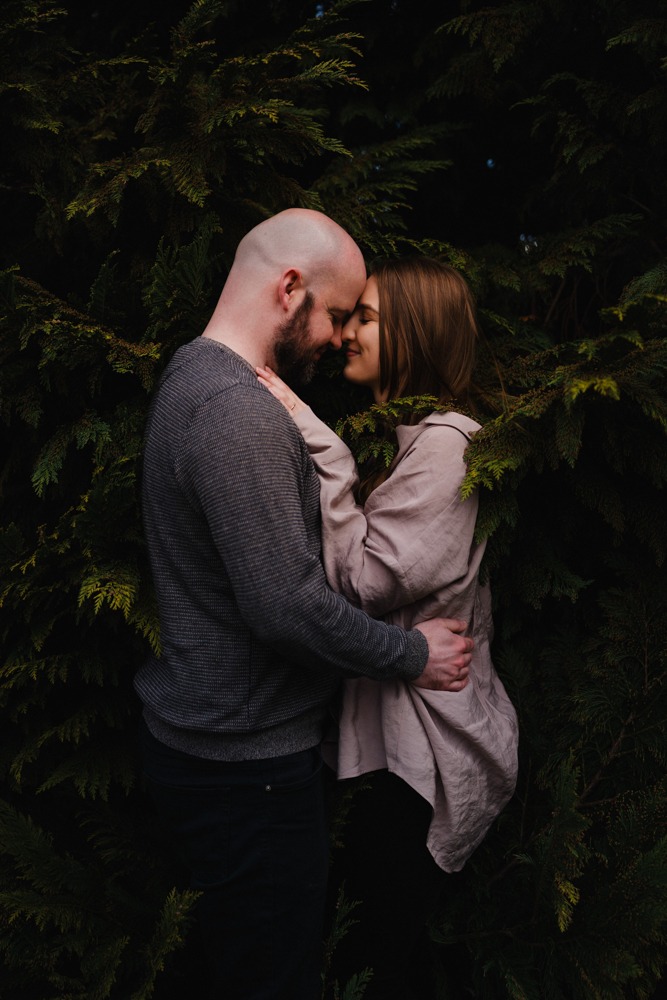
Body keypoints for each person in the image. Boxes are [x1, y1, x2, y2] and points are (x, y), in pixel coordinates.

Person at [133, 210, 476, 1000]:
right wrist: (413, 656)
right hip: (243, 767)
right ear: (289, 289)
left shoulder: (192, 373)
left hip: (212, 747)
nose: (337, 336)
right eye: (334, 313)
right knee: (271, 978)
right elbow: (286, 608)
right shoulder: (238, 414)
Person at [257, 255, 519, 999]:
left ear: (415, 330)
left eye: (365, 318)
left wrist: (317, 442)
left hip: (422, 753)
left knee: (378, 957)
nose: (345, 335)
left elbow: (364, 582)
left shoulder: (447, 447)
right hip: (392, 737)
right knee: (370, 948)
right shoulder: (411, 440)